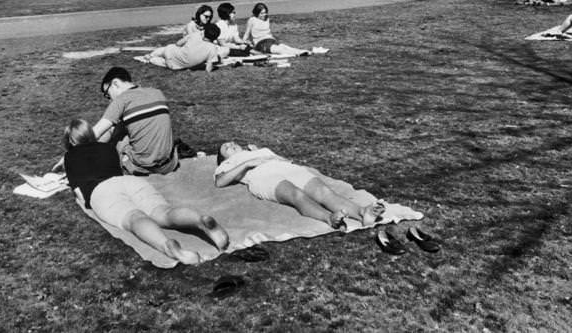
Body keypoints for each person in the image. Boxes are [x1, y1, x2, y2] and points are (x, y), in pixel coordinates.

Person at [63, 119, 229, 265]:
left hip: (102, 190)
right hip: (128, 182)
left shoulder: (69, 157)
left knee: (135, 218)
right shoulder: (107, 148)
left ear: (71, 140)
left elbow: (79, 192)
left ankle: (167, 246)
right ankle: (200, 220)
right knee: (163, 212)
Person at [214, 142, 382, 229]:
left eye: (231, 142)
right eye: (226, 147)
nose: (230, 144)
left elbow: (287, 161)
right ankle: (329, 219)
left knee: (324, 192)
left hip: (288, 169)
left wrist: (259, 152)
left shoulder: (260, 150)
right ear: (223, 158)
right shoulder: (227, 165)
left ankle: (362, 213)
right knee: (297, 195)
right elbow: (220, 182)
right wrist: (247, 163)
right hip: (262, 177)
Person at [91, 67, 179, 175]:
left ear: (115, 83)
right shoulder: (157, 92)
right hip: (169, 164)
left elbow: (96, 132)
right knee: (131, 122)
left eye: (107, 94)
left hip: (143, 168)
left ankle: (90, 159)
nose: (110, 100)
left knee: (115, 131)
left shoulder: (121, 100)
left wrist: (72, 151)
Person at [141, 24, 229, 72]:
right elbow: (208, 68)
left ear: (204, 32)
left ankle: (150, 55)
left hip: (172, 54)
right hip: (180, 66)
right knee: (162, 62)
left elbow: (178, 43)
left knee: (167, 48)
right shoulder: (212, 48)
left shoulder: (195, 35)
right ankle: (152, 59)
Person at [241, 3, 309, 57]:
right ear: (257, 13)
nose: (264, 15)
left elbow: (268, 33)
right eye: (261, 13)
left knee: (284, 47)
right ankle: (298, 54)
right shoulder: (252, 20)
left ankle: (302, 51)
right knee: (278, 50)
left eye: (265, 12)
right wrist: (243, 43)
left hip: (270, 40)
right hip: (260, 43)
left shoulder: (267, 19)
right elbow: (247, 34)